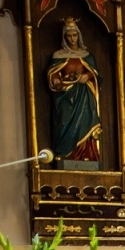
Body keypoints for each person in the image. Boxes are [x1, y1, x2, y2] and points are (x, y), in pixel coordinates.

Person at [47, 19, 103, 166]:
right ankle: (66, 154)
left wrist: (88, 76)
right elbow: (52, 73)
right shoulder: (58, 55)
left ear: (79, 36)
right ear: (65, 38)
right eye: (69, 36)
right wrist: (56, 80)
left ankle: (86, 154)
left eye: (75, 35)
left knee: (86, 121)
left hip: (84, 95)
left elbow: (96, 74)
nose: (72, 39)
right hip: (65, 95)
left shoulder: (86, 55)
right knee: (64, 122)